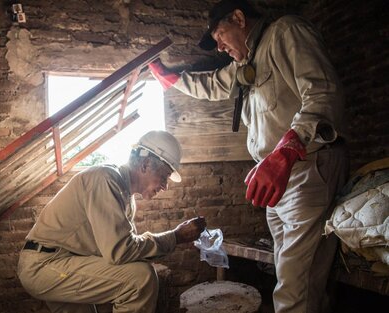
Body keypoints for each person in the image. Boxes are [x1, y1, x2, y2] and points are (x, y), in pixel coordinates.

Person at [148, 1, 349, 312]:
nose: (219, 46)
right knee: (295, 278)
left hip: (304, 166)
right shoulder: (245, 63)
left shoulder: (286, 32)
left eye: (220, 35)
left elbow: (324, 94)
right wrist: (173, 79)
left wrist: (285, 151)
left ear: (239, 18)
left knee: (295, 286)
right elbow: (213, 84)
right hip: (277, 177)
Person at [17, 130, 206, 313]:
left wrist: (173, 240)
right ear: (146, 164)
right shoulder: (105, 179)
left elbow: (125, 251)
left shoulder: (125, 197)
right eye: (164, 176)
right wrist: (175, 237)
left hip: (63, 261)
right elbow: (121, 251)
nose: (165, 186)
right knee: (140, 279)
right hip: (45, 264)